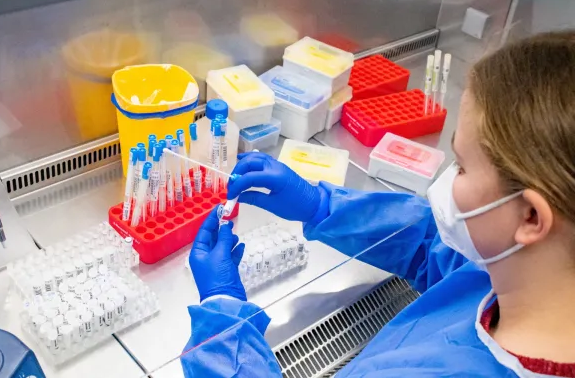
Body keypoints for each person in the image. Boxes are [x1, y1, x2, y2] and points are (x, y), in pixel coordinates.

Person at [182, 31, 575, 377]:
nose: (448, 178)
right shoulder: (524, 285)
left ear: (530, 216)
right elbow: (431, 248)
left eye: (462, 165)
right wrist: (321, 206)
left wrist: (223, 317)